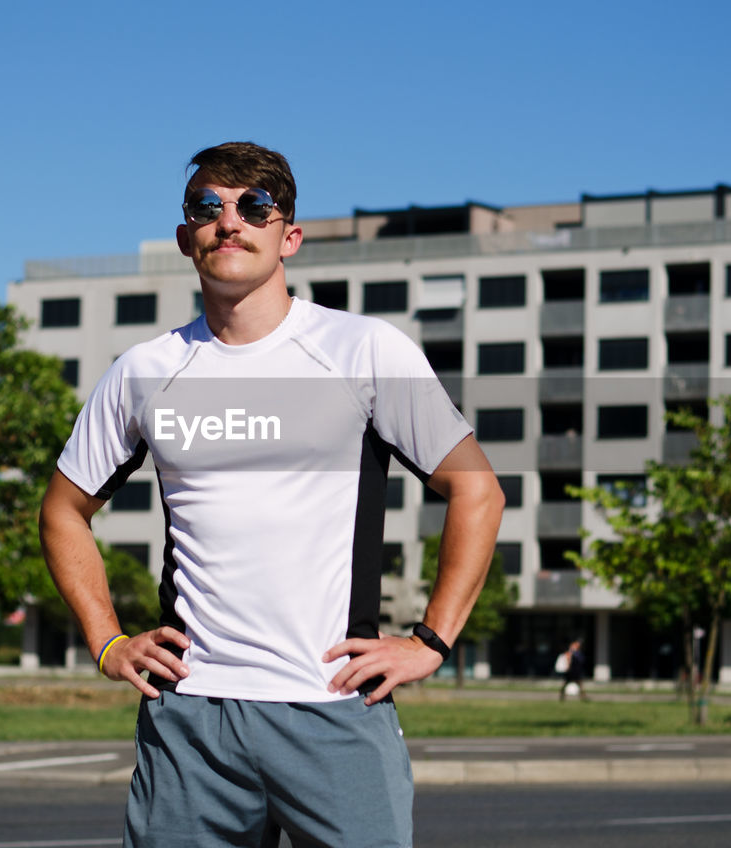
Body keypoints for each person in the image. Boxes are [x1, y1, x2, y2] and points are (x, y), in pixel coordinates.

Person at [38, 141, 505, 847]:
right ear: (185, 237)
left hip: (334, 710)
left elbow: (477, 491)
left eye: (254, 207)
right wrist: (107, 642)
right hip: (191, 721)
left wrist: (430, 642)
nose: (230, 221)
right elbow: (62, 510)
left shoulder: (362, 352)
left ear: (288, 236)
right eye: (208, 207)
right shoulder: (145, 372)